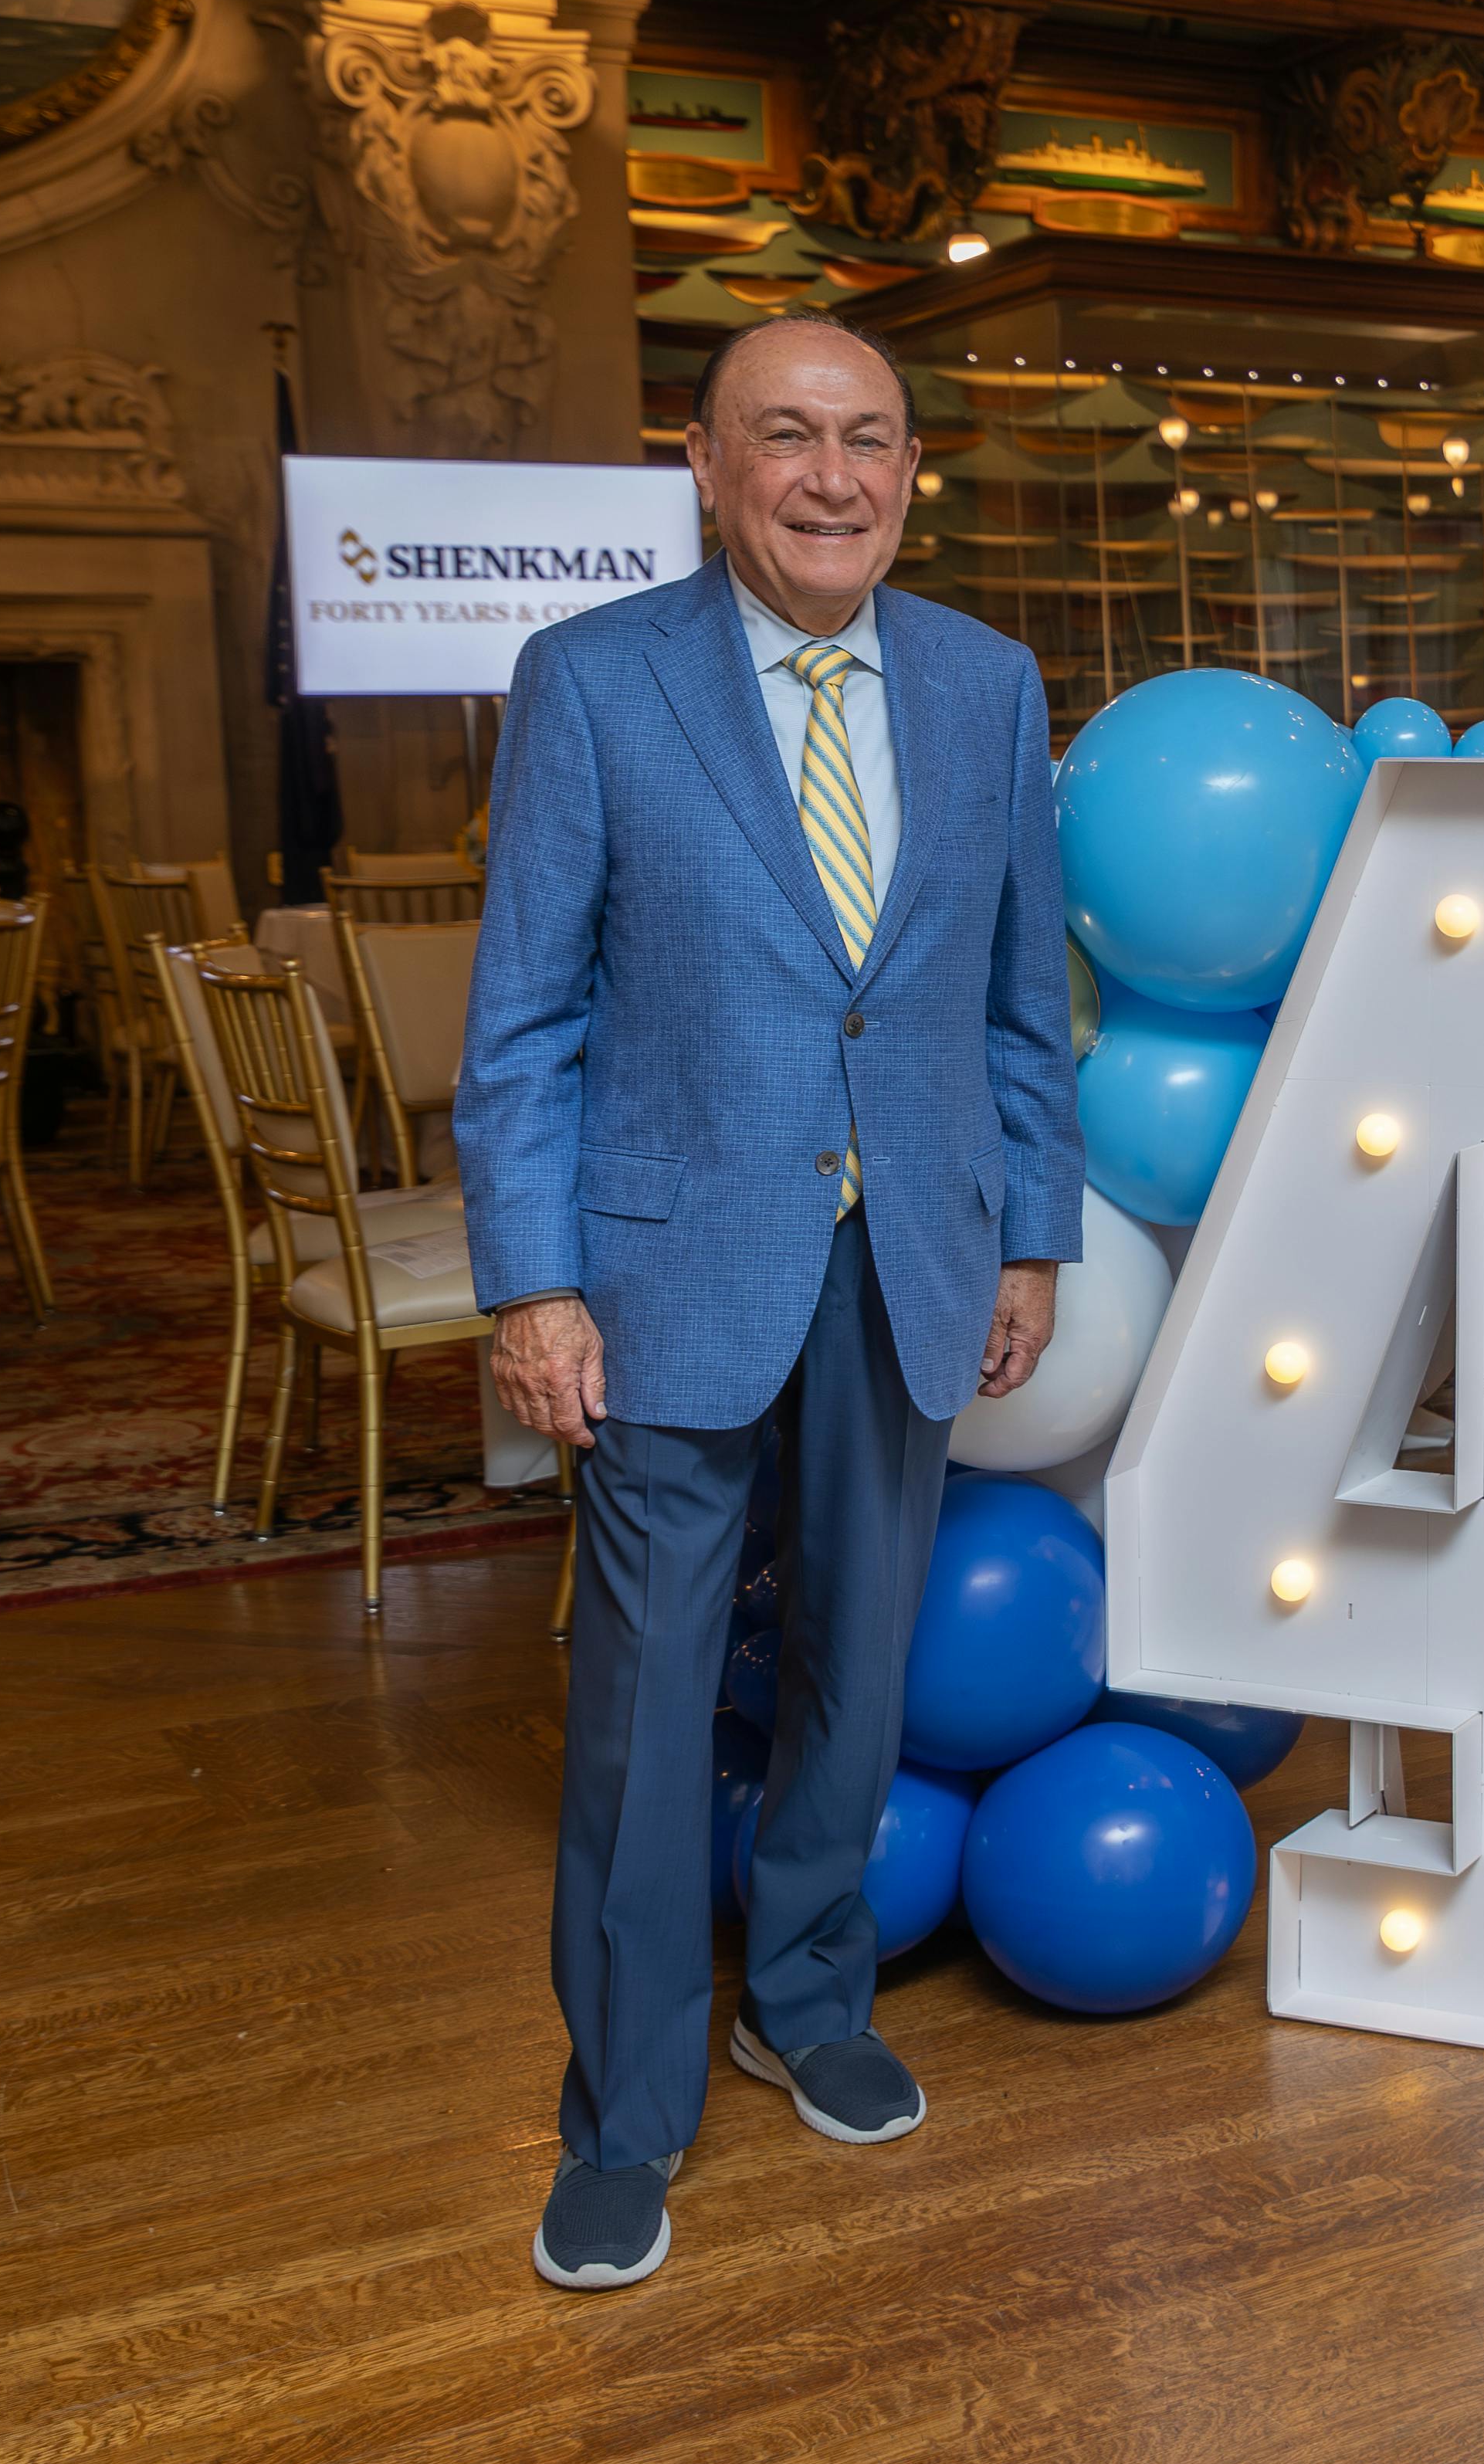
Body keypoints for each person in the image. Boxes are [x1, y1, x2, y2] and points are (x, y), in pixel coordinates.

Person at [457, 309, 1082, 2291]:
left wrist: (1032, 1234)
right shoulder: (593, 678)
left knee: (855, 1666)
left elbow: (1017, 1003)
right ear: (709, 468)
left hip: (911, 1256)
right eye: (787, 435)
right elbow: (524, 1019)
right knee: (645, 1709)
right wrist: (534, 1281)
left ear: (911, 472)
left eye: (867, 438)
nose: (832, 476)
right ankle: (625, 2111)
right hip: (665, 1271)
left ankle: (806, 1997)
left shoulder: (987, 683)